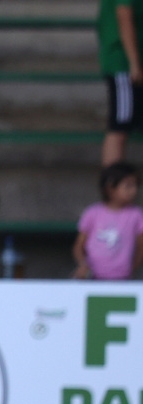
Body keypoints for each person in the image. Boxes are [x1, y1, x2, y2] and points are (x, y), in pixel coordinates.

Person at [72, 161, 143, 279]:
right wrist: (83, 265)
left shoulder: (137, 215)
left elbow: (141, 246)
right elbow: (79, 246)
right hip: (93, 277)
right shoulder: (93, 213)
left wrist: (132, 269)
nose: (133, 190)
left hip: (123, 278)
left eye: (136, 185)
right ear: (110, 187)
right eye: (128, 186)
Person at [98, 0, 143, 167]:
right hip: (123, 64)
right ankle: (113, 185)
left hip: (127, 63)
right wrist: (134, 62)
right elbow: (124, 17)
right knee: (120, 126)